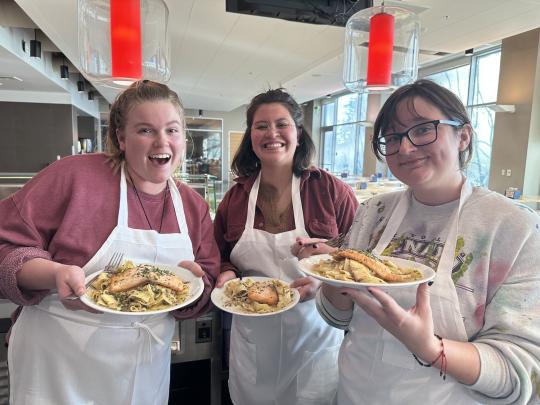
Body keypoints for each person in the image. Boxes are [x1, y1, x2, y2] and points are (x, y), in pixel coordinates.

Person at [293, 79, 540, 404]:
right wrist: (335, 278)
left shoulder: (513, 228)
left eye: (423, 130)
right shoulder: (373, 212)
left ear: (463, 136)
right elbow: (340, 318)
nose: (405, 148)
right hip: (355, 392)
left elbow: (523, 373)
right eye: (393, 137)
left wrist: (430, 348)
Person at [0, 80, 220, 405]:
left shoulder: (192, 205)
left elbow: (208, 280)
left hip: (144, 363)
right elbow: (6, 244)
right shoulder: (76, 177)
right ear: (121, 137)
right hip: (60, 359)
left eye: (172, 130)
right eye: (145, 130)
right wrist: (54, 275)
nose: (162, 141)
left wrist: (193, 287)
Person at [213, 88, 358, 405]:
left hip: (316, 338)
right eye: (260, 125)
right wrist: (225, 275)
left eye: (282, 124)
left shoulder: (330, 191)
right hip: (252, 341)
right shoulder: (236, 199)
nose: (271, 133)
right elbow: (221, 258)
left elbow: (360, 262)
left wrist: (322, 277)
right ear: (251, 135)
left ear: (298, 132)